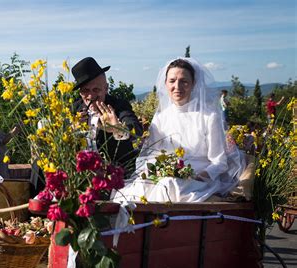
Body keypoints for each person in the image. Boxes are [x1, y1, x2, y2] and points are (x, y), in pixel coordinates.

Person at [112, 58, 245, 203]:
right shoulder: (161, 118)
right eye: (172, 81)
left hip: (198, 182)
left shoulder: (209, 117)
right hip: (165, 176)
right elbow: (152, 153)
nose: (177, 86)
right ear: (165, 83)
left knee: (169, 186)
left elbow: (219, 162)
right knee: (130, 192)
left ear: (193, 84)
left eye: (184, 81)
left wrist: (195, 177)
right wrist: (154, 170)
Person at [72, 57, 143, 177]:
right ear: (80, 92)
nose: (90, 95)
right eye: (85, 90)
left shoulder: (119, 105)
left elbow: (137, 130)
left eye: (96, 89)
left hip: (119, 176)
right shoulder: (74, 109)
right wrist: (72, 130)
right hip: (82, 177)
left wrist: (118, 128)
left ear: (106, 88)